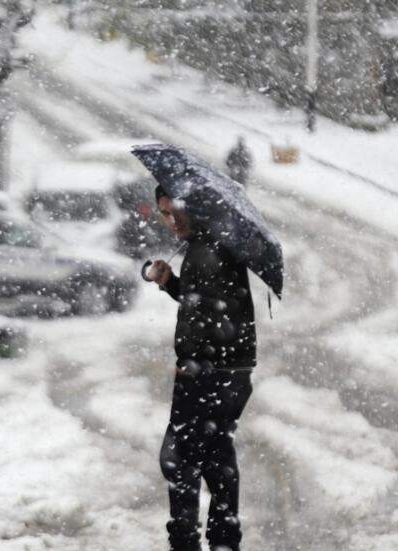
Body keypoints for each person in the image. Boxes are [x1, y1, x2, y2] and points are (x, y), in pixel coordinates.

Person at [146, 184, 255, 551]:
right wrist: (171, 283)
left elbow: (211, 316)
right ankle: (225, 542)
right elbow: (206, 303)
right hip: (231, 372)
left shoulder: (208, 249)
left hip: (210, 374)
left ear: (193, 206)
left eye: (176, 210)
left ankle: (186, 543)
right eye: (164, 213)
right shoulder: (212, 243)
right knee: (216, 459)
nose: (172, 221)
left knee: (178, 459)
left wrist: (192, 364)